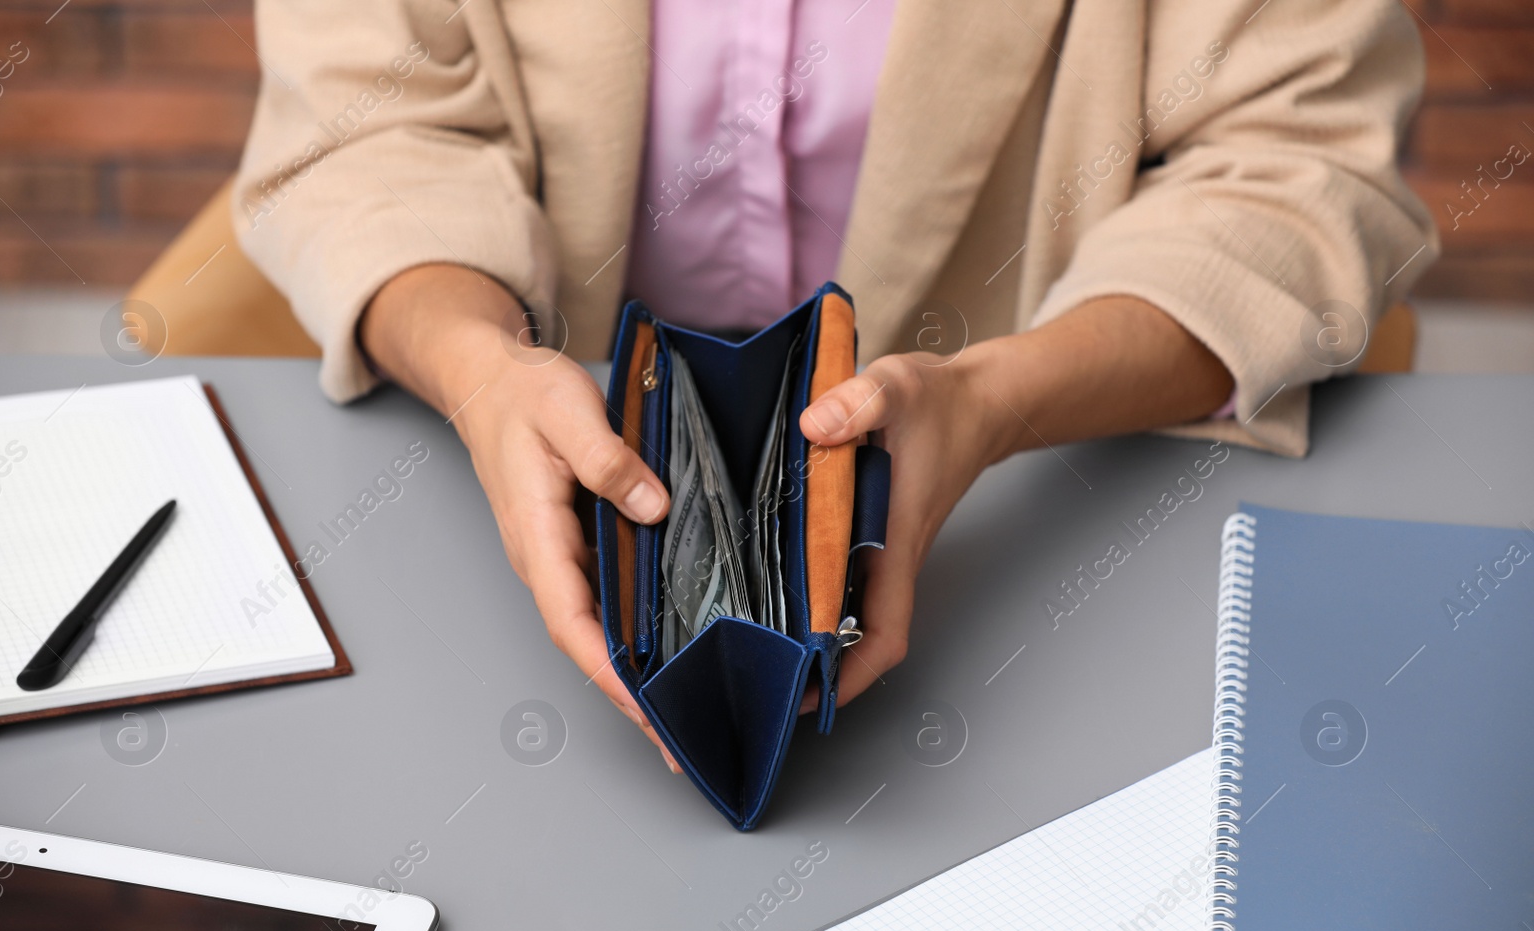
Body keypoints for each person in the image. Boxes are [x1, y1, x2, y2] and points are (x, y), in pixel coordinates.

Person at [234, 0, 1436, 770]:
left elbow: (1292, 170)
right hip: (517, 482)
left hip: (1063, 484)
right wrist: (476, 366)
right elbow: (369, 130)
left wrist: (998, 398)